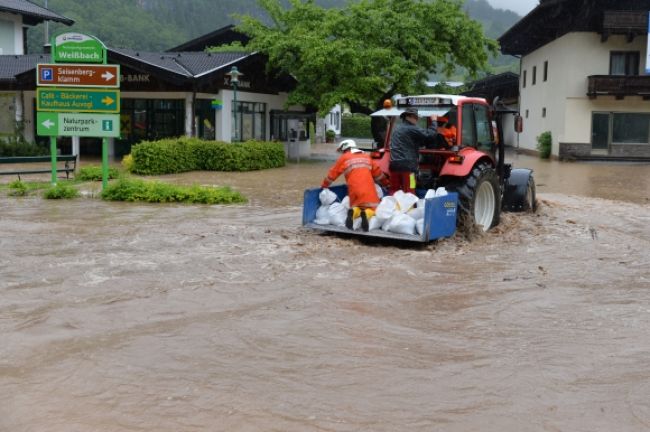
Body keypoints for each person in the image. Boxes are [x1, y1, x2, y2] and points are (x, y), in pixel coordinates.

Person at [321, 139, 390, 231]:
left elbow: (332, 174)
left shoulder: (344, 158)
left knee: (357, 205)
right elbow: (378, 174)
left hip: (353, 189)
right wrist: (386, 184)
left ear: (345, 148)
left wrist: (324, 185)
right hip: (368, 188)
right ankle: (365, 214)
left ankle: (353, 212)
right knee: (374, 208)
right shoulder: (366, 156)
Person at [388, 107, 439, 194]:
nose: (417, 119)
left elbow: (408, 142)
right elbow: (430, 134)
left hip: (394, 165)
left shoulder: (397, 129)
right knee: (410, 189)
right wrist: (434, 121)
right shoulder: (412, 128)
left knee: (394, 190)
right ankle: (411, 206)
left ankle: (393, 206)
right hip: (408, 168)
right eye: (416, 117)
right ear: (410, 116)